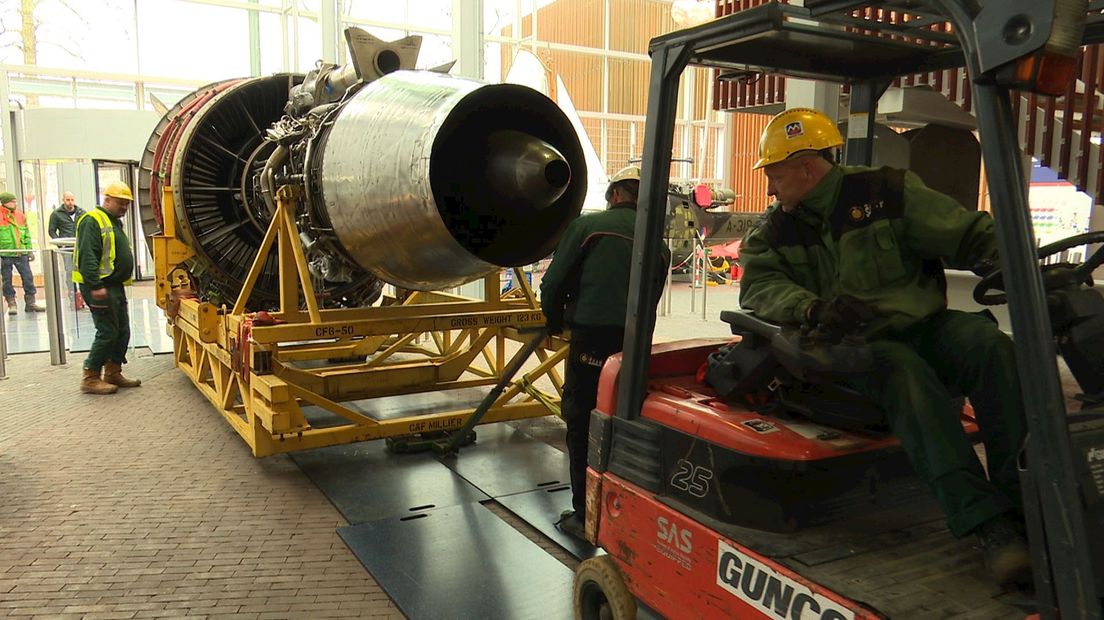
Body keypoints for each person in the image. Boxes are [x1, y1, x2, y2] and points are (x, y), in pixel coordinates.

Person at [738, 107, 1031, 587]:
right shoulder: (775, 230)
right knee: (904, 373)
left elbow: (967, 232)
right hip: (845, 349)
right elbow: (759, 288)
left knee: (990, 346)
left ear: (808, 167)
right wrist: (813, 309)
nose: (770, 187)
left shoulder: (886, 194)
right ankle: (988, 524)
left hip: (922, 326)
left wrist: (1014, 265)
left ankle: (1025, 501)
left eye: (775, 173)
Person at [540, 165, 670, 540]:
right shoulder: (657, 243)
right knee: (622, 421)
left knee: (582, 421)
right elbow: (654, 296)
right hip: (633, 347)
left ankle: (585, 516)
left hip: (591, 340)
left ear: (614, 194)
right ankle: (622, 512)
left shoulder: (588, 227)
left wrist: (553, 319)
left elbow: (554, 281)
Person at [74, 181, 140, 395]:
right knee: (107, 331)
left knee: (122, 330)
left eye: (127, 204)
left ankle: (113, 372)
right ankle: (90, 376)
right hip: (101, 286)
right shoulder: (92, 220)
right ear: (107, 200)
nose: (124, 208)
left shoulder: (114, 222)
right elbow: (88, 256)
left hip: (114, 285)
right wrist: (95, 285)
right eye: (120, 203)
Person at [0, 191, 45, 315]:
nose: (15, 203)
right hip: (5, 254)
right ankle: (11, 303)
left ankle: (30, 302)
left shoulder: (20, 216)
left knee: (28, 278)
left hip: (21, 253)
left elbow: (26, 235)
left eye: (15, 201)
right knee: (7, 280)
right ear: (4, 203)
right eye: (12, 201)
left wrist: (29, 250)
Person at [48, 191, 86, 308]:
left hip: (80, 247)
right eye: (67, 200)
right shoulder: (56, 214)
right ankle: (72, 296)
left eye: (72, 199)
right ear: (63, 200)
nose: (70, 202)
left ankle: (84, 296)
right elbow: (52, 230)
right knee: (70, 272)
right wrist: (60, 244)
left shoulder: (82, 213)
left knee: (83, 271)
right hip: (67, 248)